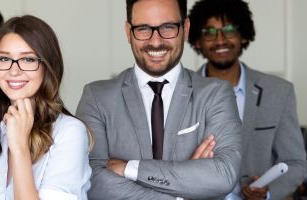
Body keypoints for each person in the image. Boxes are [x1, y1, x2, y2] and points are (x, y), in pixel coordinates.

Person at [75, 0, 243, 199]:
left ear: (186, 28)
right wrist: (183, 193)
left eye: (168, 27)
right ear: (128, 31)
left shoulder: (216, 94)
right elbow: (92, 180)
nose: (155, 42)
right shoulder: (97, 97)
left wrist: (131, 169)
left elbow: (223, 175)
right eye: (143, 29)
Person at [187, 0, 307, 199]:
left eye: (230, 29)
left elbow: (296, 163)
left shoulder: (278, 92)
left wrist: (268, 193)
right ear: (197, 41)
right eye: (209, 32)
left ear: (243, 36)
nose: (220, 40)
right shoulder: (179, 93)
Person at [0, 15, 92, 200]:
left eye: (28, 60)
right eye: (4, 59)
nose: (14, 71)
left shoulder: (69, 133)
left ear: (48, 66)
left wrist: (19, 147)